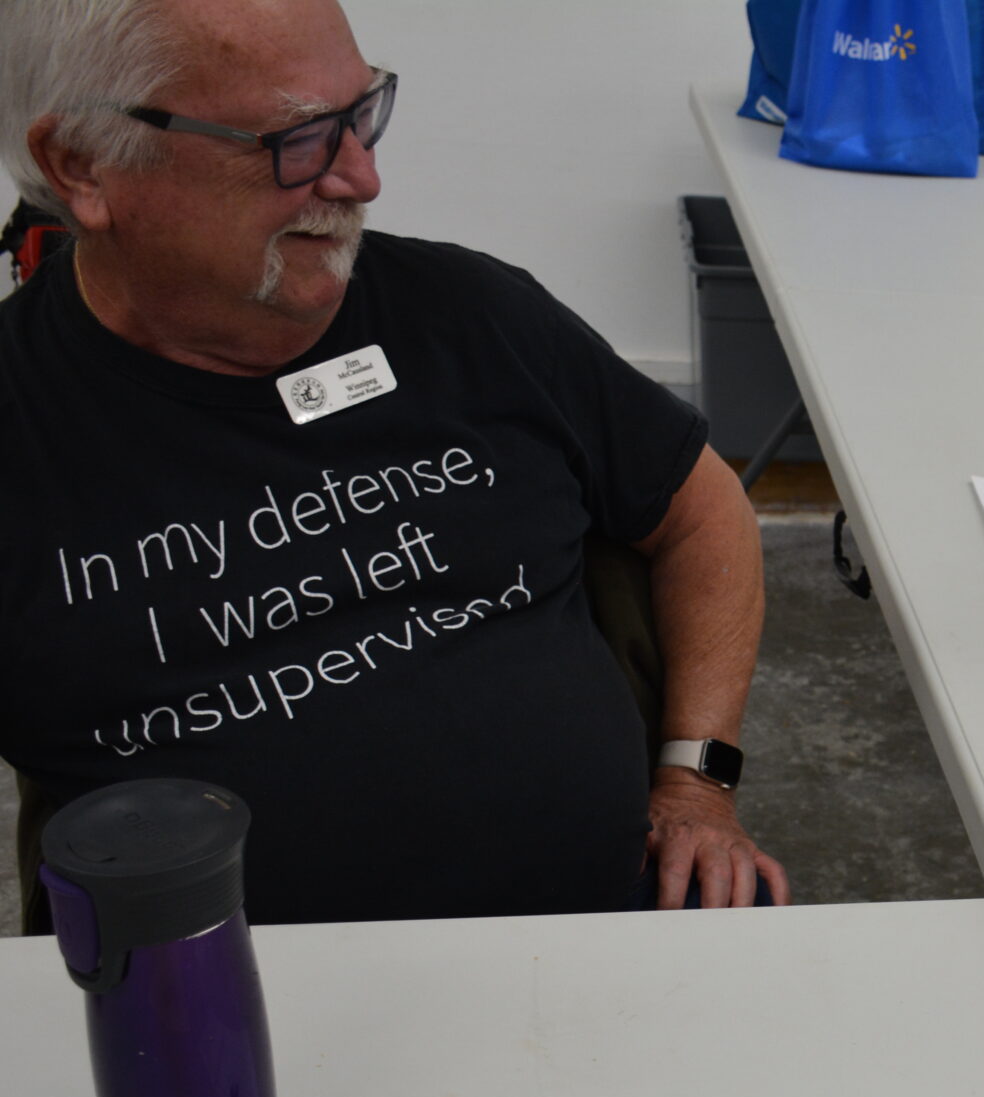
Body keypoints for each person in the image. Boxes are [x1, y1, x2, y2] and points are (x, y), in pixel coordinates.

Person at [0, 0, 790, 925]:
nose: (363, 177)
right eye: (296, 140)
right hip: (210, 1001)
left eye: (362, 114)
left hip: (607, 941)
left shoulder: (471, 316)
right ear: (83, 164)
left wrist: (698, 782)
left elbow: (702, 511)